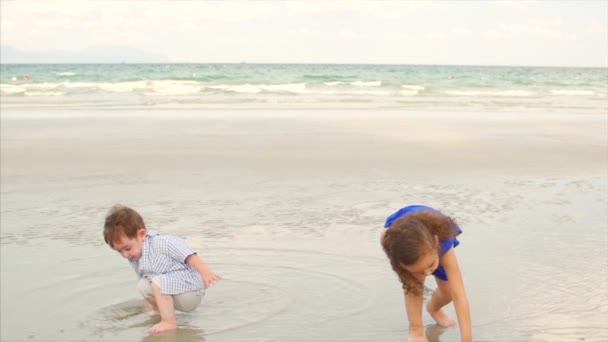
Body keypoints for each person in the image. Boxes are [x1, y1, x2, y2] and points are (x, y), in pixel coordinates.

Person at [103, 204, 221, 334]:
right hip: (173, 289)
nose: (125, 255)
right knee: (143, 284)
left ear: (141, 234)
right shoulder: (135, 257)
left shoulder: (162, 243)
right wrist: (154, 302)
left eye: (127, 248)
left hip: (191, 291)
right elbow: (146, 280)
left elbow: (189, 255)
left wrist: (205, 272)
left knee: (158, 282)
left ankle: (169, 322)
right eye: (119, 251)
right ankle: (159, 310)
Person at [381, 204, 472, 342]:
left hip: (430, 233)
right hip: (404, 239)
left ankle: (433, 308)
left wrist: (467, 339)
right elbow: (411, 284)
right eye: (419, 271)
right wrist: (416, 330)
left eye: (430, 266)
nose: (427, 273)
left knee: (449, 292)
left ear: (436, 243)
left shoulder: (444, 245)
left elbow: (460, 296)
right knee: (413, 285)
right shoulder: (391, 243)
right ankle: (416, 328)